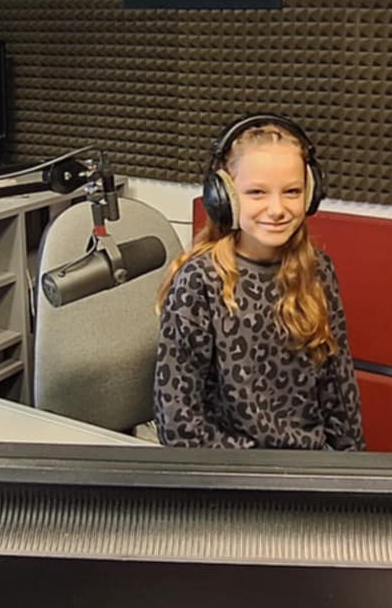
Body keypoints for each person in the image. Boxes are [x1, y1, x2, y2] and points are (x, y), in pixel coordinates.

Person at [154, 115, 365, 450]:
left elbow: (339, 393)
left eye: (292, 191)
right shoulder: (199, 281)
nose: (277, 209)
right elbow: (177, 424)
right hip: (233, 468)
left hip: (309, 465)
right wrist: (263, 468)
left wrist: (349, 467)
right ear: (224, 196)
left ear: (310, 193)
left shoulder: (318, 271)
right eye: (257, 192)